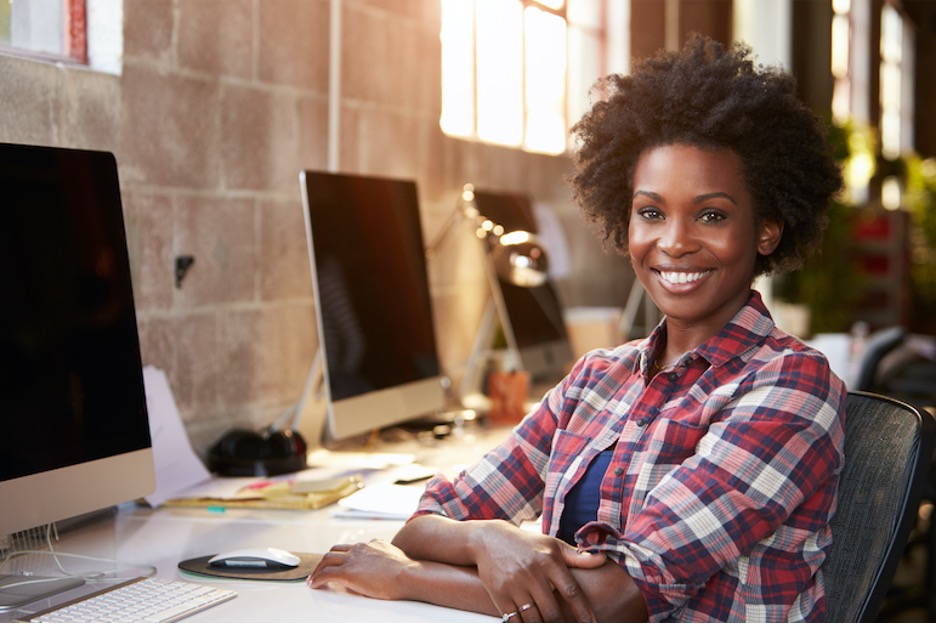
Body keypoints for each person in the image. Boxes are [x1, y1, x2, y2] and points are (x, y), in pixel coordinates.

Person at [307, 34, 846, 623]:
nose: (673, 242)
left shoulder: (792, 386)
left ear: (766, 230)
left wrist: (405, 579)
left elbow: (608, 598)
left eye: (711, 214)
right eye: (651, 212)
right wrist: (491, 540)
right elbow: (431, 519)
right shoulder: (598, 378)